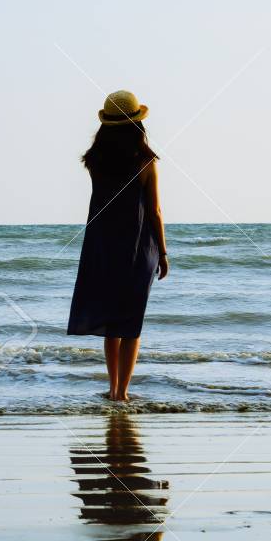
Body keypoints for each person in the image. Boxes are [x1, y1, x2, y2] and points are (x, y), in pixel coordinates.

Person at [67, 90, 169, 401]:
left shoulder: (94, 162)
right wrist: (163, 253)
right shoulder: (145, 162)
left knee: (112, 323)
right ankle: (123, 392)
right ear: (138, 125)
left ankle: (113, 390)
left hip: (102, 246)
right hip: (139, 248)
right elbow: (154, 211)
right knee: (131, 322)